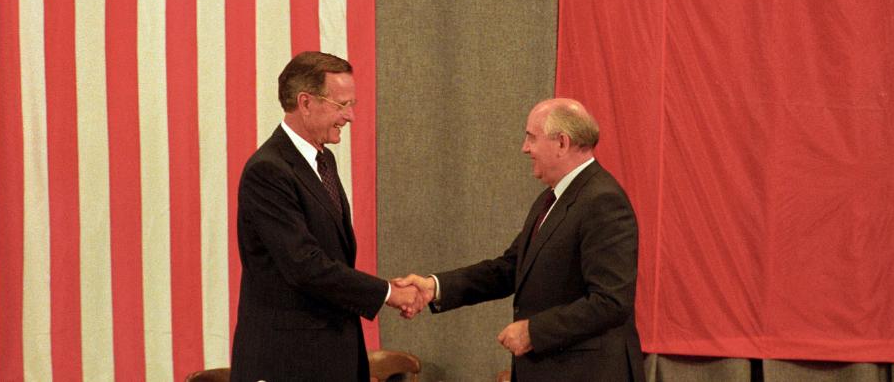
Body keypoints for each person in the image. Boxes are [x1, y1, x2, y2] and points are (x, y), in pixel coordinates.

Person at [395, 98, 644, 381]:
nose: (525, 148)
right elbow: (510, 268)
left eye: (531, 138)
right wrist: (435, 287)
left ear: (562, 143)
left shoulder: (603, 201)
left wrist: (533, 332)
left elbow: (611, 301)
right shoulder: (550, 199)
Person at [231, 51, 423, 382]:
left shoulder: (324, 161)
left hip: (330, 355)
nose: (350, 117)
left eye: (352, 105)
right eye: (341, 105)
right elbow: (304, 265)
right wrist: (387, 293)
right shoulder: (268, 170)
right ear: (305, 102)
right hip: (288, 361)